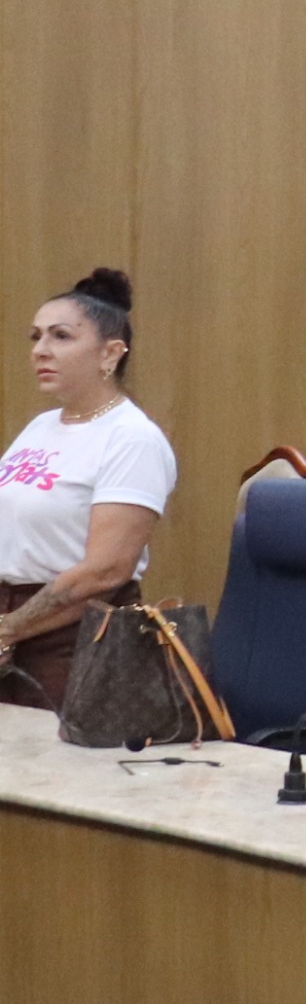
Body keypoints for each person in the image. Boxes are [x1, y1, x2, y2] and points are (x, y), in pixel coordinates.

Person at [0, 269, 173, 716]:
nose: (40, 350)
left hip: (76, 640)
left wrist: (11, 629)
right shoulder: (41, 427)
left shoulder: (131, 438)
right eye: (36, 336)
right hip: (11, 625)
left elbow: (106, 570)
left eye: (60, 336)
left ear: (110, 353)